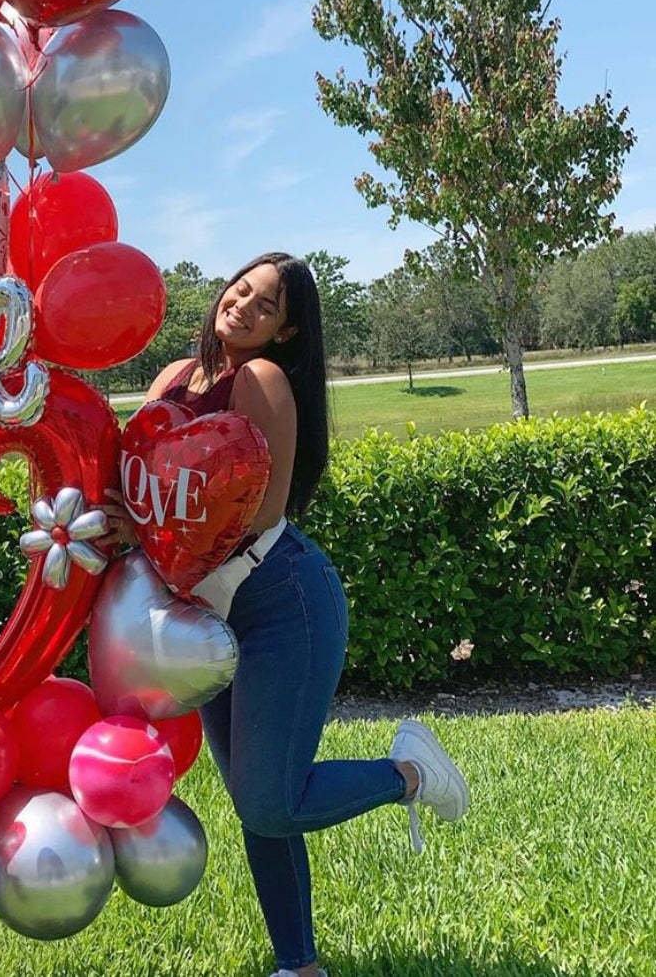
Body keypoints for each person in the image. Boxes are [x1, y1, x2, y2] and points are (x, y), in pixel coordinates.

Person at [104, 252, 469, 977]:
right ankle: (300, 964)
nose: (242, 305)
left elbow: (258, 512)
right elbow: (138, 476)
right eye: (240, 289)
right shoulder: (174, 378)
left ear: (286, 328)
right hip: (205, 614)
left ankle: (410, 773)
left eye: (265, 304)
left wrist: (149, 528)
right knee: (255, 798)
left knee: (271, 801)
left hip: (282, 603)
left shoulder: (262, 380)